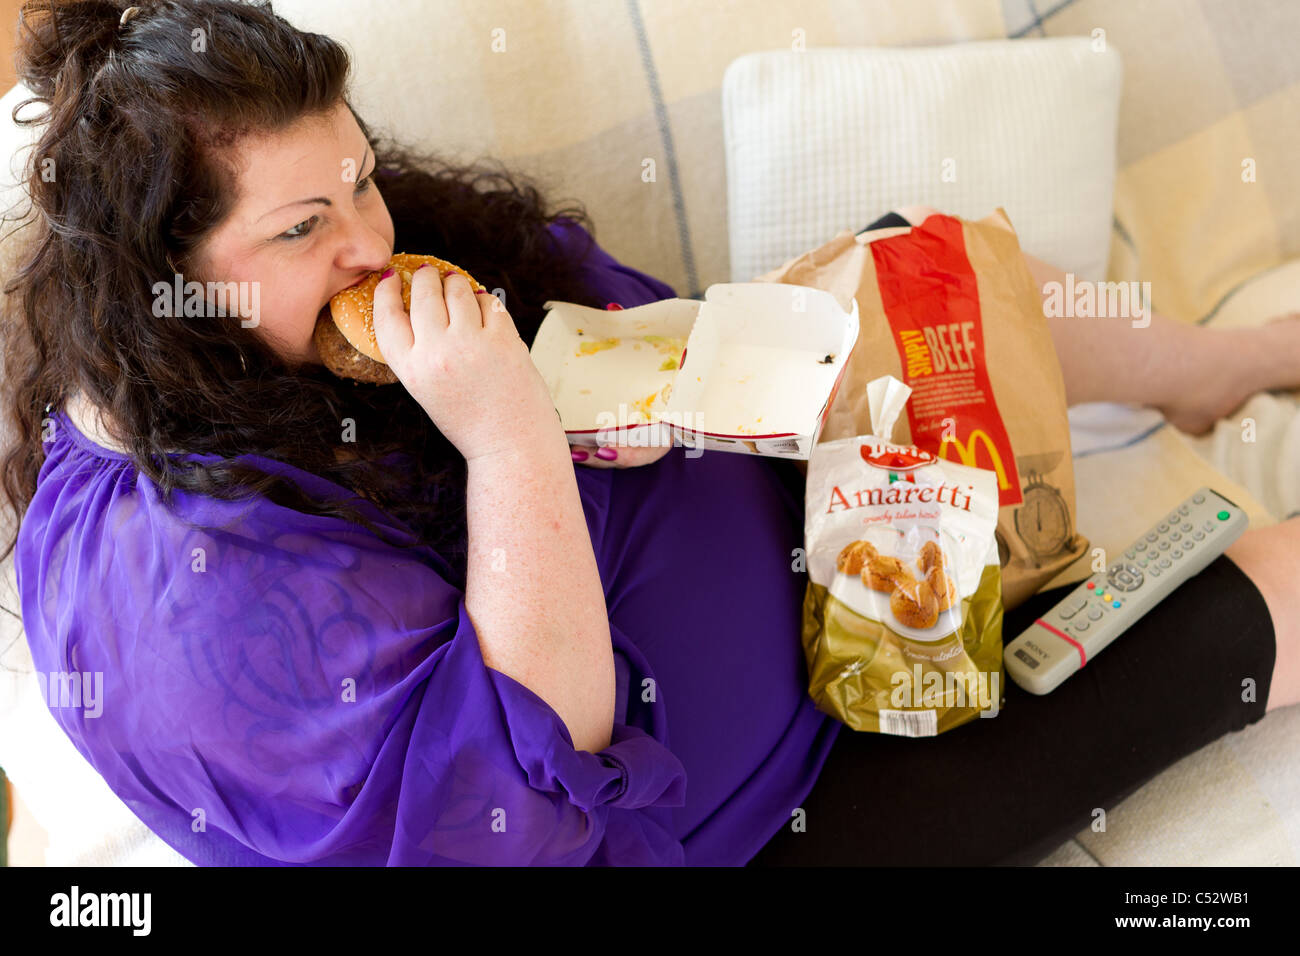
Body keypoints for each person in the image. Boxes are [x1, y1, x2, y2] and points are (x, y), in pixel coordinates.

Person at [2, 0, 1296, 866]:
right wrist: (507, 434)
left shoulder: (287, 328)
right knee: (1273, 594)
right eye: (301, 228)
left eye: (361, 177)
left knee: (922, 271)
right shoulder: (196, 602)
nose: (370, 245)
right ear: (154, 282)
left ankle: (1220, 371)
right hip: (776, 814)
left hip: (829, 527)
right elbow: (528, 784)